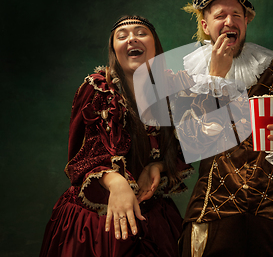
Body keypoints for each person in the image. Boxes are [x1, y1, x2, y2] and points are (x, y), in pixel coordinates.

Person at [177, 0, 273, 257]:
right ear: (206, 26)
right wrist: (215, 80)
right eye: (221, 16)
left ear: (246, 22)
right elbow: (192, 143)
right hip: (213, 210)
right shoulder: (189, 77)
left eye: (236, 15)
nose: (230, 21)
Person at [40, 15, 193, 257]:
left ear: (156, 46)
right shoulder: (98, 90)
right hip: (96, 224)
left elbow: (187, 144)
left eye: (141, 33)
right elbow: (80, 156)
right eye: (122, 36)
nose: (132, 38)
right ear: (114, 49)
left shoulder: (172, 91)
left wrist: (159, 166)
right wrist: (115, 181)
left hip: (154, 219)